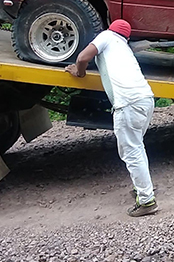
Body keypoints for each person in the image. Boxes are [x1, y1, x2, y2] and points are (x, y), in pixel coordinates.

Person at [65, 19, 158, 217]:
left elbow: (82, 58)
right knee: (137, 147)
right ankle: (142, 188)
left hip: (128, 104)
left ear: (110, 29)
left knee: (131, 152)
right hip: (146, 99)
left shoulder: (106, 36)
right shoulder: (124, 47)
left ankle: (147, 200)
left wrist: (78, 72)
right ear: (127, 37)